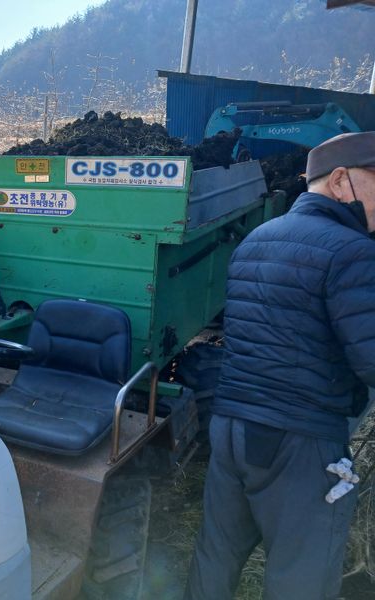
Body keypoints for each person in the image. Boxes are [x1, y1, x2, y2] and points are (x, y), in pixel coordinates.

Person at [184, 131, 375, 600]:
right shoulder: (353, 251)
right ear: (340, 181)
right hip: (301, 442)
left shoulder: (256, 240)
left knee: (216, 554)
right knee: (301, 575)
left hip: (231, 429)